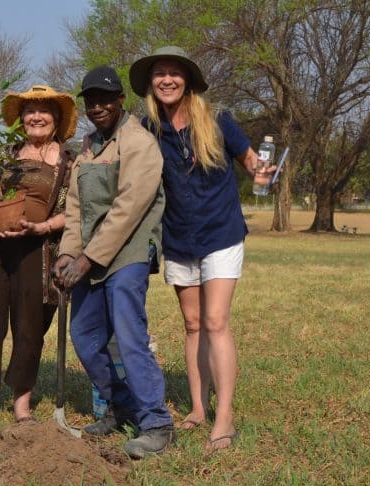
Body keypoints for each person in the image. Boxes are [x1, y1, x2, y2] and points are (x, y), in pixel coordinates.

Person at [129, 46, 271, 452]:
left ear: (187, 80)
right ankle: (197, 409)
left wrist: (263, 170)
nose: (167, 79)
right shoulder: (147, 128)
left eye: (175, 72)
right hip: (177, 237)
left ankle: (224, 419)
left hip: (221, 232)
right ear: (151, 83)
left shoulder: (217, 118)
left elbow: (250, 161)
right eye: (160, 74)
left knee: (214, 320)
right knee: (192, 325)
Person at [53, 66, 175, 459]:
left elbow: (128, 209)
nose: (98, 106)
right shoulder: (88, 146)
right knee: (85, 336)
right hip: (90, 254)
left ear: (121, 100)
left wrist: (87, 259)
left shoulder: (138, 142)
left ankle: (156, 422)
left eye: (106, 99)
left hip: (130, 251)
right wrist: (68, 254)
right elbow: (75, 208)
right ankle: (121, 406)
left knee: (128, 336)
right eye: (91, 101)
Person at [0, 85, 77, 424]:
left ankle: (21, 405)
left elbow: (77, 210)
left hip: (38, 251)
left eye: (44, 110)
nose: (36, 116)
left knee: (30, 325)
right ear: (21, 119)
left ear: (56, 118)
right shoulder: (4, 155)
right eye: (30, 110)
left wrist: (44, 227)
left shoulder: (70, 162)